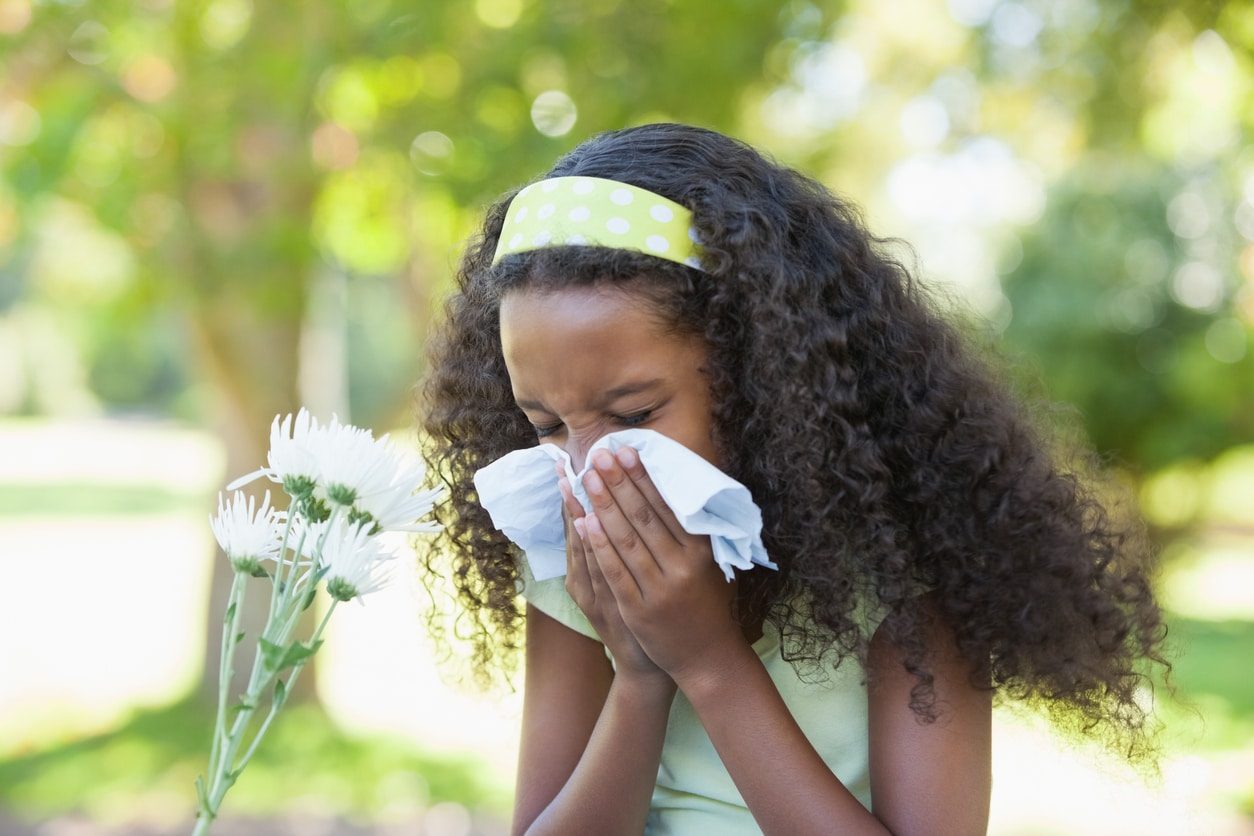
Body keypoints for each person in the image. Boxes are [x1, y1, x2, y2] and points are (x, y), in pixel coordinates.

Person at [418, 123, 1169, 835]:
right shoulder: (569, 549)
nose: (587, 469)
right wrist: (640, 679)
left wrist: (709, 662)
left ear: (762, 378)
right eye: (547, 425)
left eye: (634, 412)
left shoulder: (899, 565)